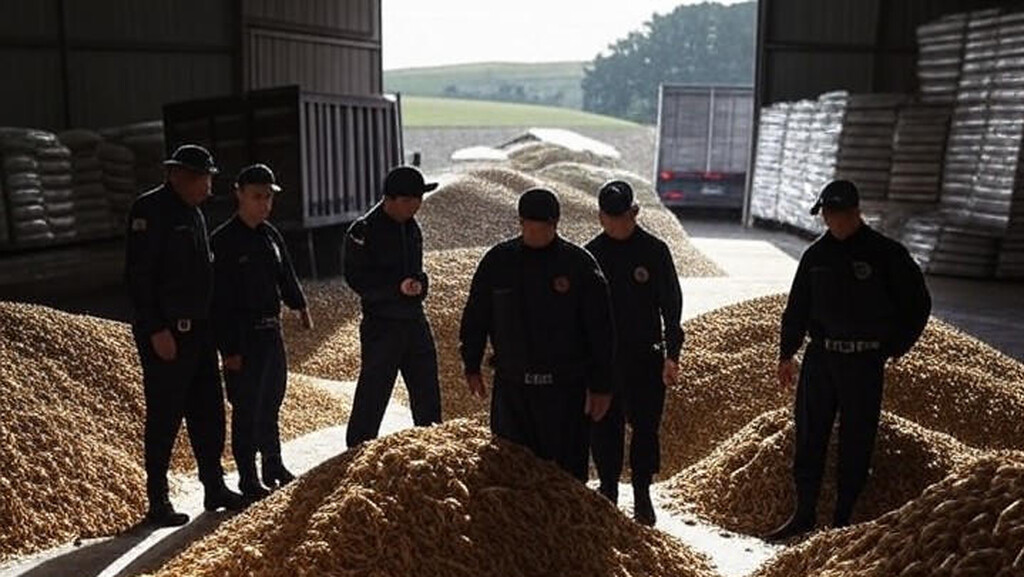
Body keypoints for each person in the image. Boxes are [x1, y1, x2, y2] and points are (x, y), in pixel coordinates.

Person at [767, 179, 932, 541]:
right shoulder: (816, 256)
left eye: (838, 215)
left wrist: (894, 347)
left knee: (857, 438)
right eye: (827, 215)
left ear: (856, 212)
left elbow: (918, 305)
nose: (832, 222)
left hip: (864, 362)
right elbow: (796, 308)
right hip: (821, 358)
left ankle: (843, 519)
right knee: (809, 434)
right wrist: (786, 353)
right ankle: (804, 514)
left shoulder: (886, 254)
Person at [125, 144, 245, 527]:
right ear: (179, 176)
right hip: (168, 336)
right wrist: (156, 329)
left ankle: (214, 486)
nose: (209, 188)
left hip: (200, 333)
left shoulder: (194, 213)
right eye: (203, 179)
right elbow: (139, 277)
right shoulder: (150, 211)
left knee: (209, 413)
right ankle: (158, 500)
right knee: (165, 418)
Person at [459, 187, 615, 481]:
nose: (533, 233)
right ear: (520, 222)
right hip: (513, 387)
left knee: (566, 476)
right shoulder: (498, 261)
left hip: (565, 390)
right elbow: (476, 316)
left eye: (540, 228)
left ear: (555, 224)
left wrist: (602, 386)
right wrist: (471, 364)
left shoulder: (579, 265)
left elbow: (601, 331)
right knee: (511, 472)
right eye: (527, 226)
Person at [211, 163, 313, 501]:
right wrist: (230, 349)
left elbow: (286, 274)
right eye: (257, 197)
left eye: (269, 197)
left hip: (271, 332)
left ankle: (273, 465)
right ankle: (248, 477)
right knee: (246, 409)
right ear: (239, 194)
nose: (264, 204)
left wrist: (299, 305)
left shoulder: (271, 235)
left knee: (271, 402)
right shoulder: (224, 241)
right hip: (243, 335)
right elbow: (219, 302)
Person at [585, 180, 683, 526]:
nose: (615, 224)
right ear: (600, 217)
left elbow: (671, 306)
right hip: (605, 359)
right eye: (609, 218)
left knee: (645, 427)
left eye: (621, 217)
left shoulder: (654, 251)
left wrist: (672, 355)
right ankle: (608, 488)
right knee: (605, 426)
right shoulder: (590, 254)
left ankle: (642, 493)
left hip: (645, 356)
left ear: (635, 213)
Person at [342, 165, 442, 447]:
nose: (416, 206)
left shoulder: (411, 227)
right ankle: (357, 451)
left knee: (427, 391)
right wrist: (394, 288)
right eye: (410, 200)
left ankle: (433, 447)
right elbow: (356, 278)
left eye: (418, 200)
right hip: (382, 324)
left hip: (414, 320)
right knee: (373, 394)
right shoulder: (363, 230)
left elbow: (417, 270)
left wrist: (419, 284)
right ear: (391, 200)